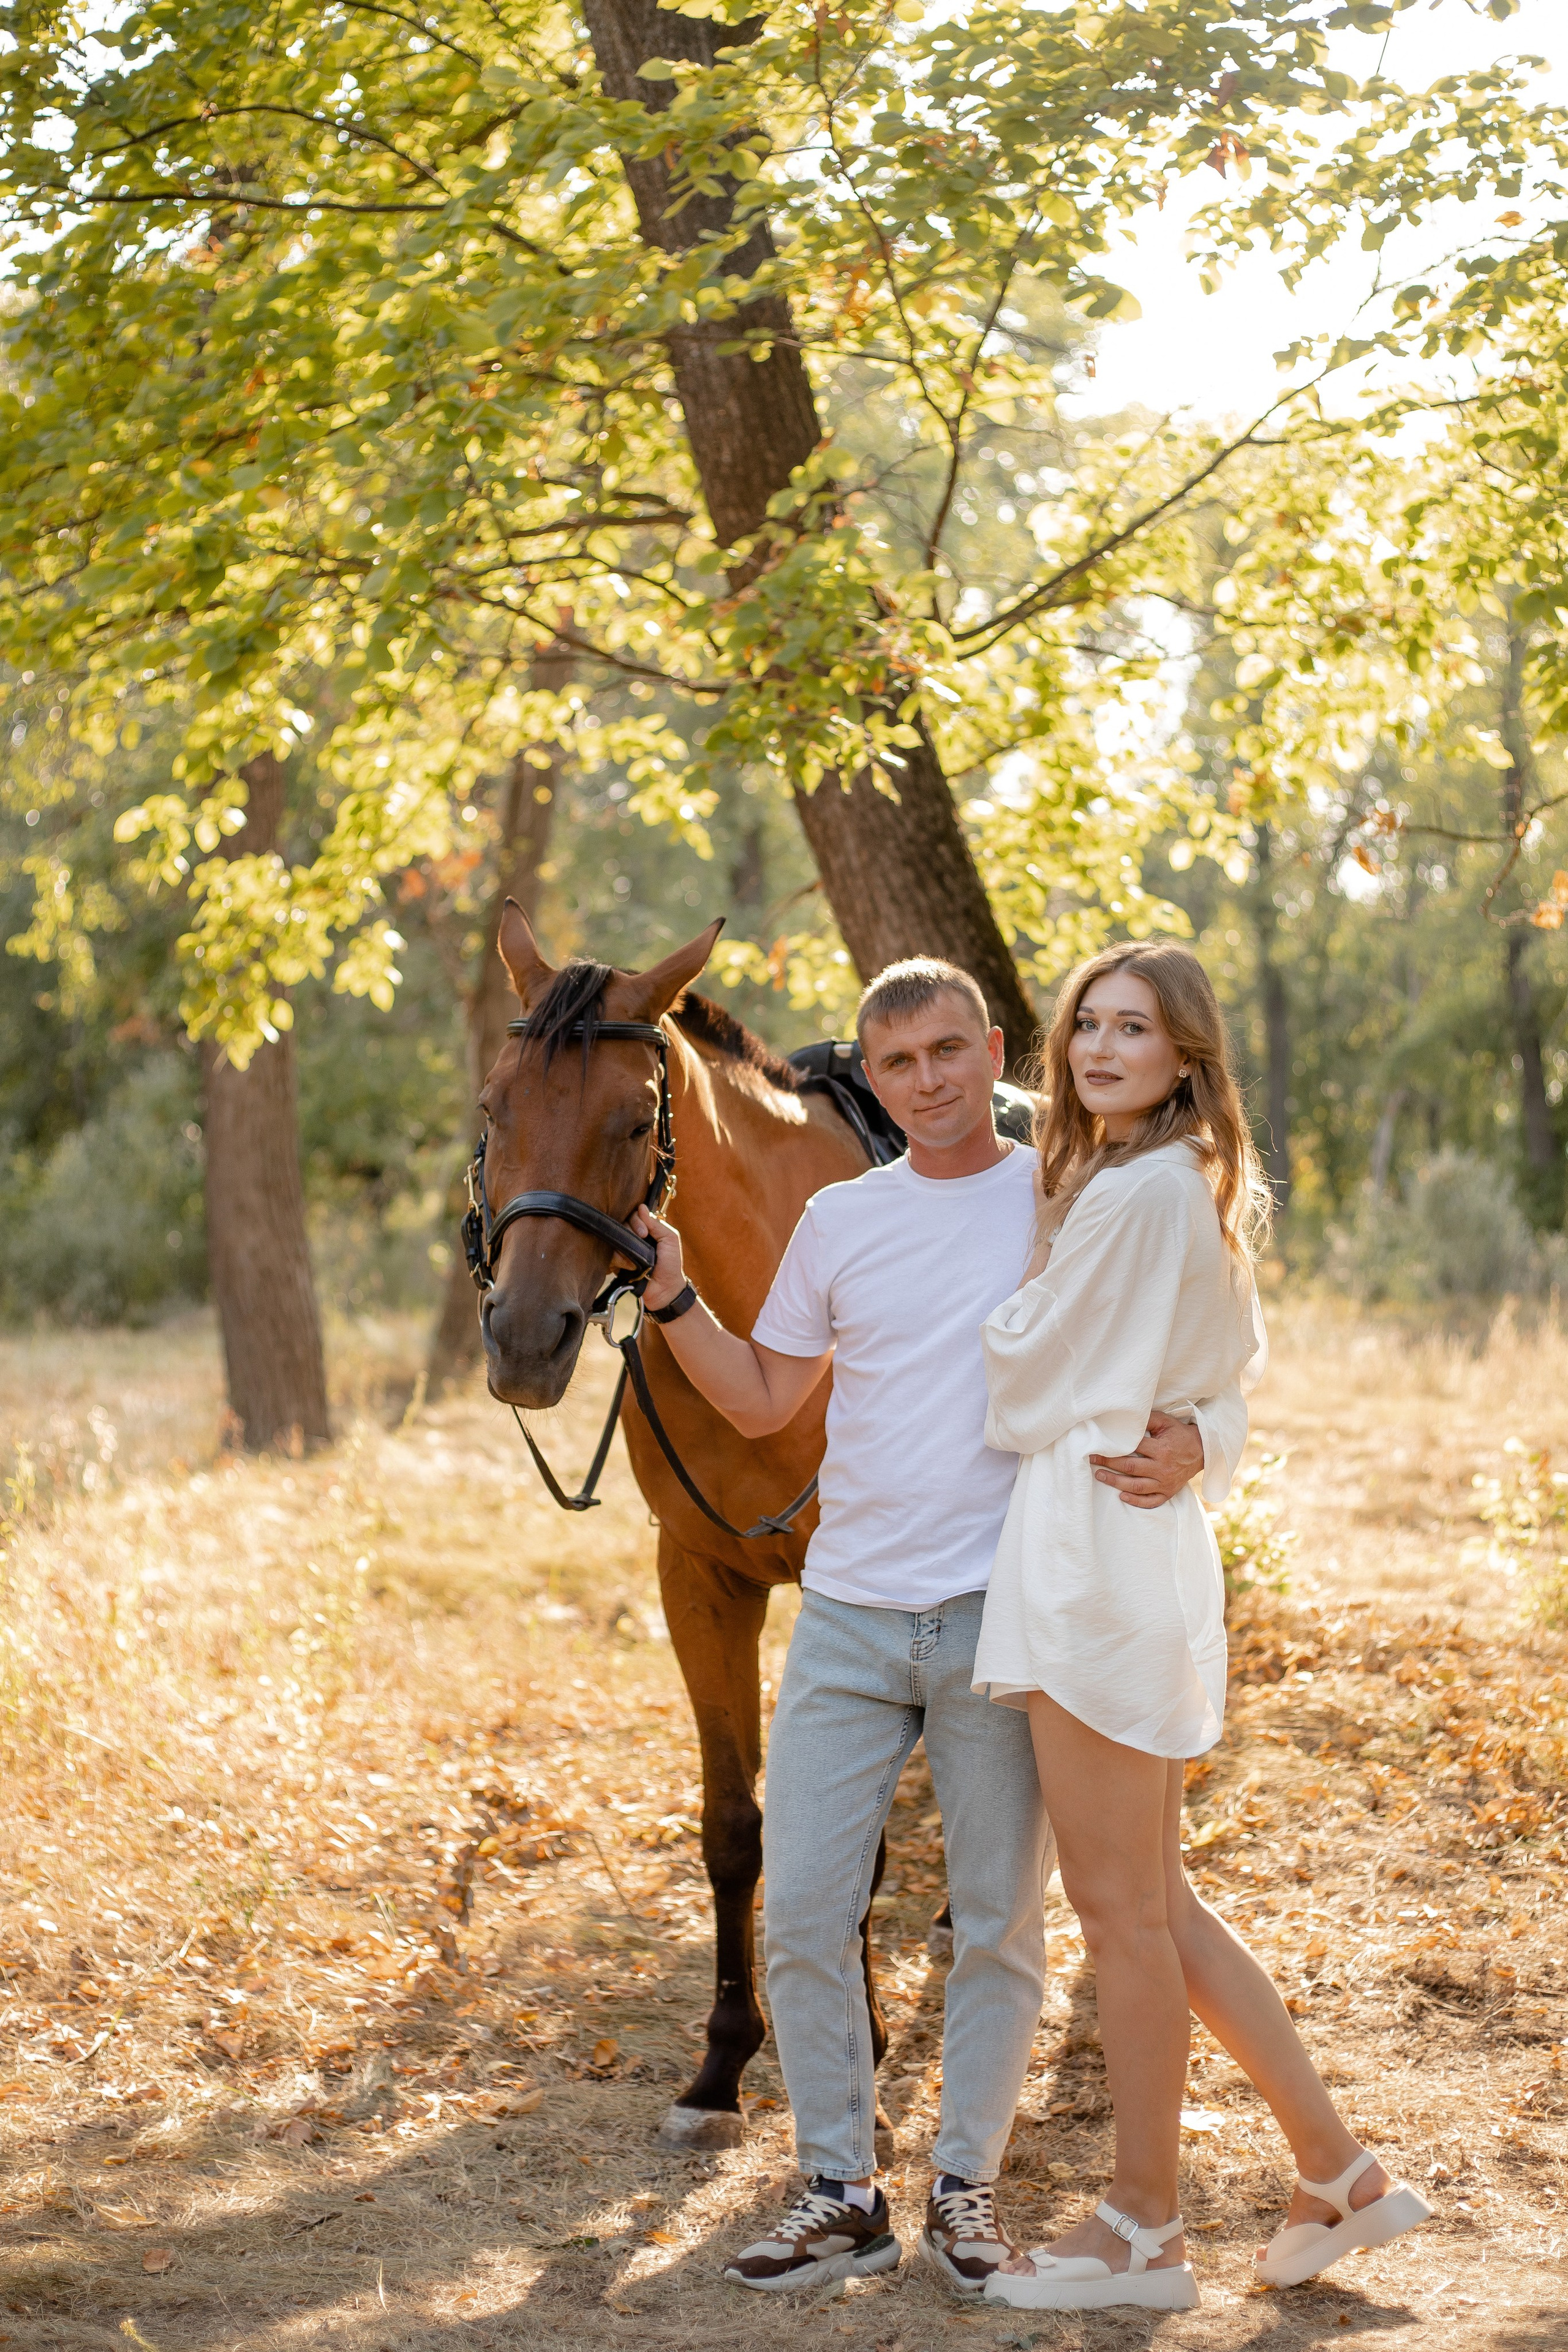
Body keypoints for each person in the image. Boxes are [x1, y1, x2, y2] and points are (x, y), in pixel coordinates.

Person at [629, 957, 1243, 2297]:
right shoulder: (842, 1220)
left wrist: (1203, 1432)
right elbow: (757, 1397)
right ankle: (840, 2189)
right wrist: (675, 1296)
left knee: (997, 1929)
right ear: (873, 1072)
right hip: (847, 1615)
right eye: (898, 1062)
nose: (927, 1083)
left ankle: (964, 2190)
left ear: (993, 1049)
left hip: (999, 1613)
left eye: (949, 1053)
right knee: (800, 1907)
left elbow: (1204, 1325)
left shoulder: (1063, 1197)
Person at [975, 943, 1431, 2315]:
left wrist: (1040, 1252)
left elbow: (1020, 1376)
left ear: (1186, 1057)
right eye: (1085, 1028)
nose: (1101, 1050)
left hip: (1095, 1556)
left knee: (1117, 1915)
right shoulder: (1188, 1189)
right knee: (1154, 1902)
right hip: (1132, 1544)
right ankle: (1335, 2174)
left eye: (1135, 1029)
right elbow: (1227, 1381)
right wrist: (1199, 1438)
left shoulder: (1128, 1199)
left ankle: (1139, 2230)